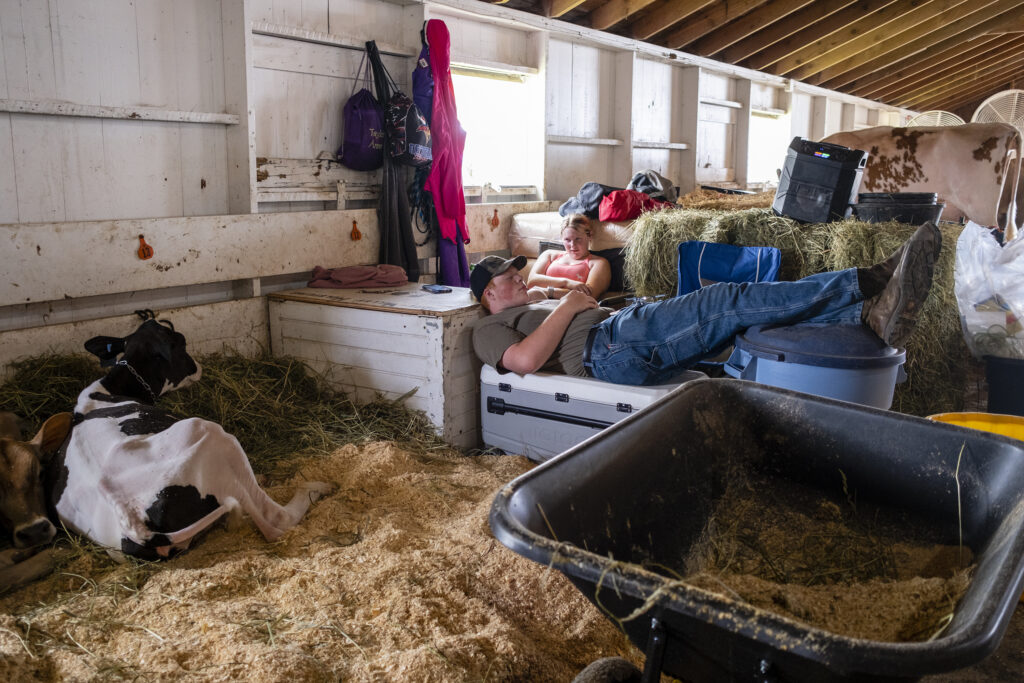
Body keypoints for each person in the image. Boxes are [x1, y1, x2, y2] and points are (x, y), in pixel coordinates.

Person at [469, 222, 941, 386]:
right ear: (490, 294)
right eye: (511, 278)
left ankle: (865, 316)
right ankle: (867, 281)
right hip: (611, 348)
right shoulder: (487, 330)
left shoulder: (528, 304)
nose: (520, 279)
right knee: (726, 300)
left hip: (620, 333)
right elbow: (526, 361)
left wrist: (555, 299)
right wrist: (569, 307)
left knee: (744, 327)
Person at [525, 214, 613, 300]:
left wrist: (548, 291)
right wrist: (567, 283)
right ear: (561, 238)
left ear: (589, 236)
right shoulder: (549, 255)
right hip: (537, 303)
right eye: (567, 240)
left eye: (578, 239)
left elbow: (587, 296)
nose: (572, 245)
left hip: (570, 308)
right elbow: (532, 282)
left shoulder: (598, 263)